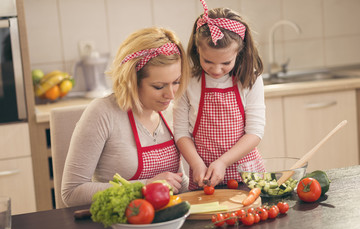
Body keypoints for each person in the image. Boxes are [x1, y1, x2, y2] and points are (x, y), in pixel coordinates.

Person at [61, 27, 190, 207]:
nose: (170, 95)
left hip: (164, 222)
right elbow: (72, 193)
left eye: (176, 82)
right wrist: (144, 186)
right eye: (159, 86)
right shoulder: (103, 113)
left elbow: (176, 182)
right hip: (116, 225)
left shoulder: (170, 111)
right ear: (132, 80)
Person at [173, 0, 266, 190]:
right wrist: (196, 164)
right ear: (196, 49)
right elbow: (181, 133)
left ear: (239, 53)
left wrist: (223, 162)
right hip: (203, 174)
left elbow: (255, 132)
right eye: (207, 61)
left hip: (246, 174)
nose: (216, 70)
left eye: (225, 62)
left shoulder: (250, 78)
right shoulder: (188, 80)